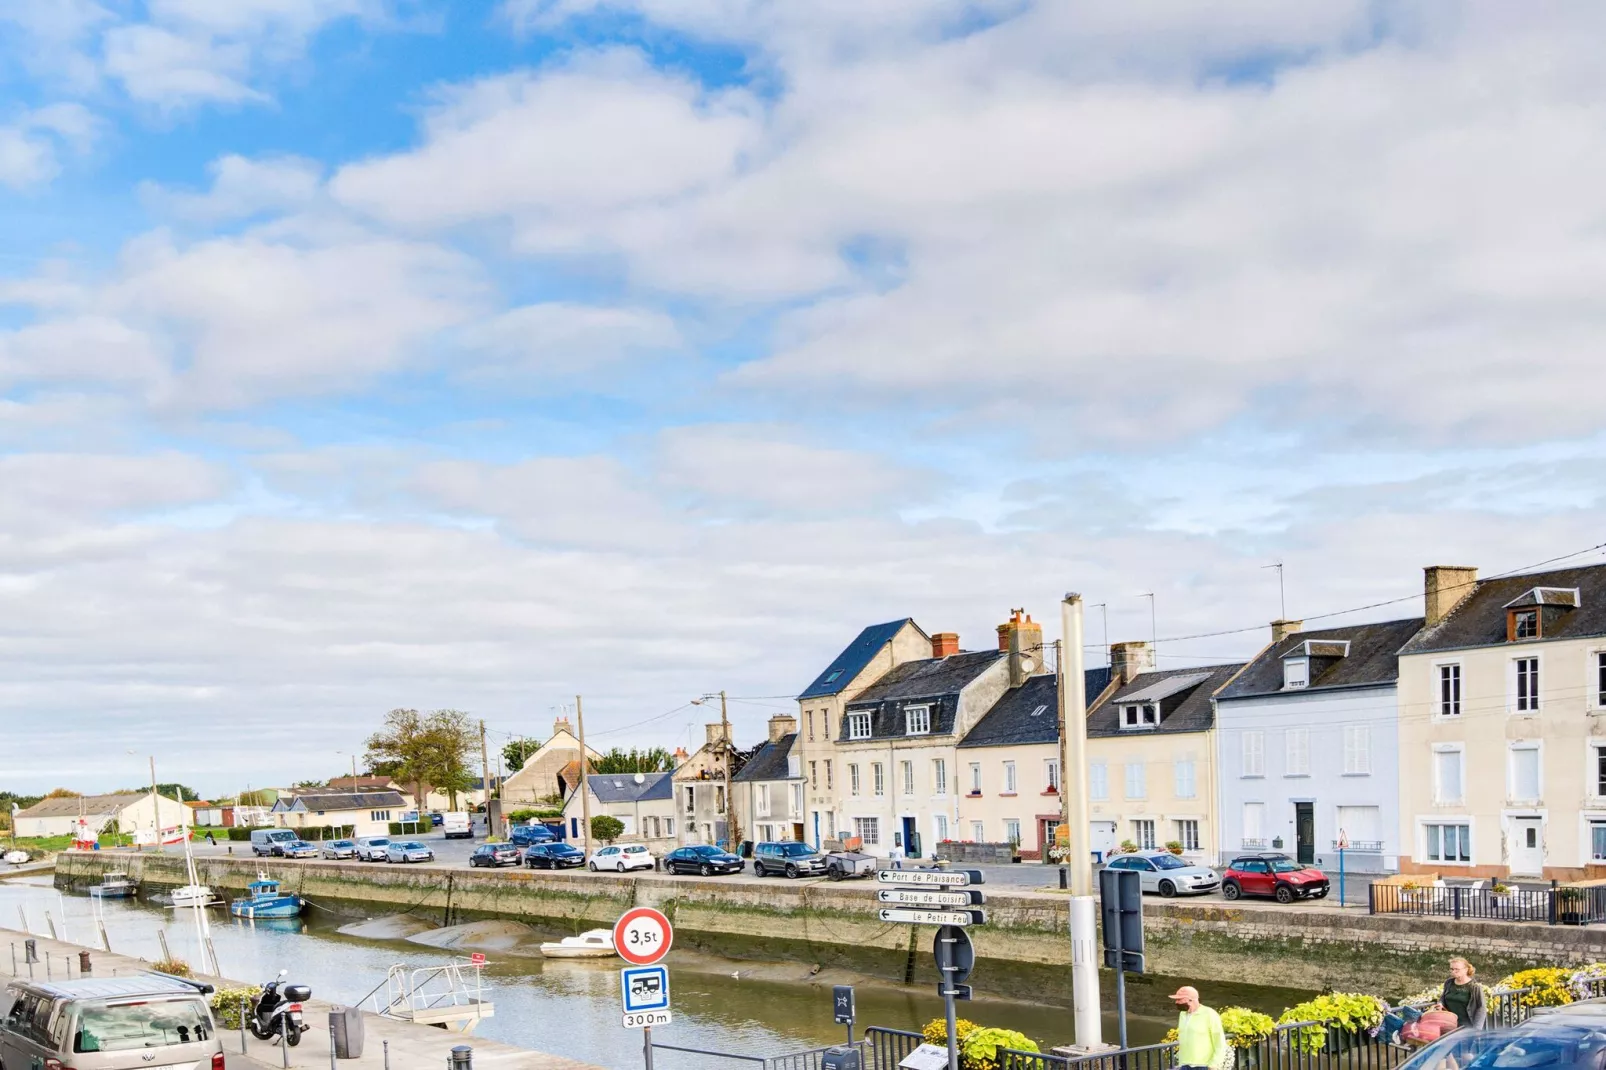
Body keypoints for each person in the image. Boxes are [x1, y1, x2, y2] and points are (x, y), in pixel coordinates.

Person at [1173, 986, 1228, 1070]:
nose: (1176, 1002)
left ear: (1191, 1000)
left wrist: (1214, 1064)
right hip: (1185, 1064)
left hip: (1204, 1065)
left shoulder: (1209, 1014)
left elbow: (1219, 1041)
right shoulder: (1183, 1014)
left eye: (1180, 999)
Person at [1441, 957, 1486, 1030]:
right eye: (1452, 969)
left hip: (1467, 1028)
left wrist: (1476, 1030)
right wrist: (1440, 1004)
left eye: (1457, 969)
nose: (1453, 971)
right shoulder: (1449, 983)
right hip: (1450, 1026)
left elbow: (1481, 1008)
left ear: (1465, 969)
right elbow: (1443, 997)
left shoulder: (1475, 987)